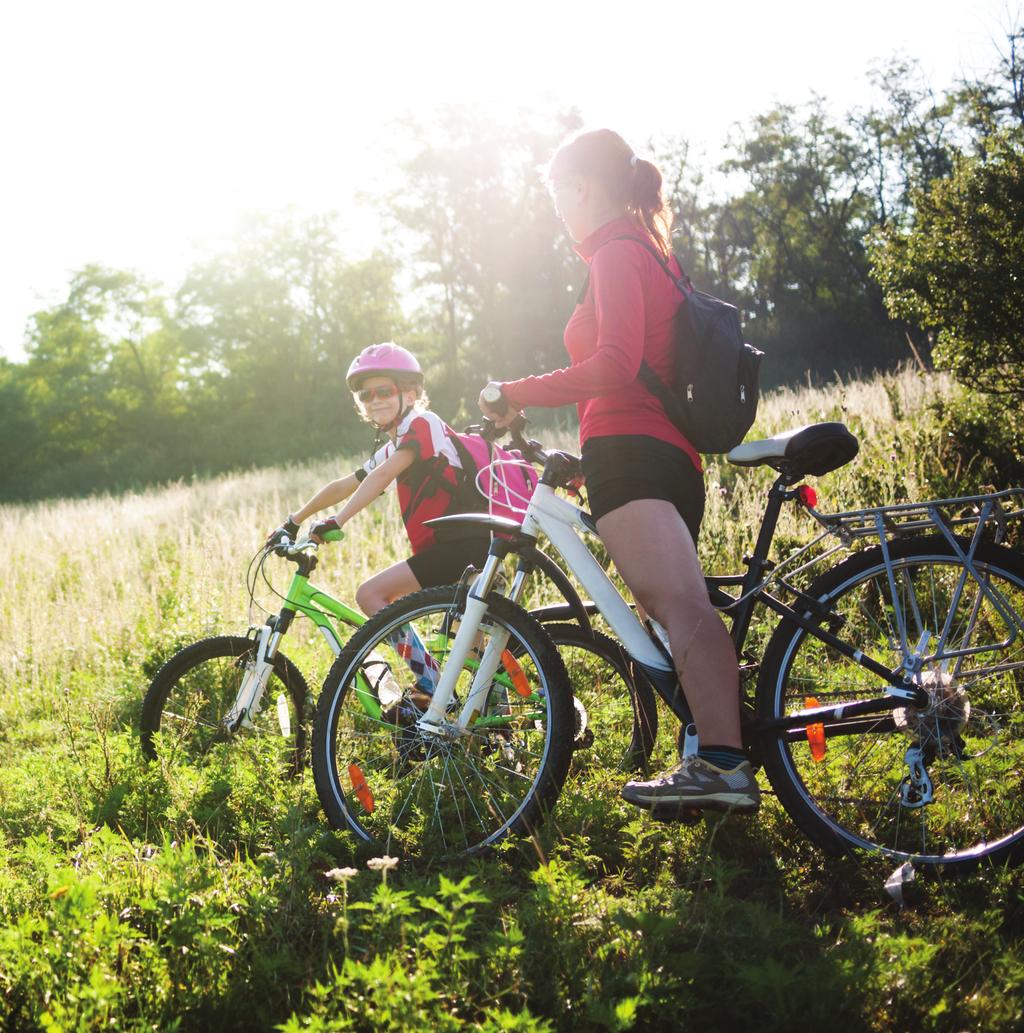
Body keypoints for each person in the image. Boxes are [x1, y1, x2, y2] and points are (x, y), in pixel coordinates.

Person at [478, 128, 760, 815]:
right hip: (651, 453)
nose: (552, 206)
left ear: (580, 187)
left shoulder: (616, 250)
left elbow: (613, 364)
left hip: (636, 453)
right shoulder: (648, 250)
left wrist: (515, 390)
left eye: (553, 191)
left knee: (677, 605)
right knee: (669, 607)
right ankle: (707, 749)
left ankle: (722, 762)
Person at [267, 342, 490, 617]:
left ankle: (419, 663)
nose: (375, 400)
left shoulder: (424, 423)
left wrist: (338, 520)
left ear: (410, 396)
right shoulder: (394, 445)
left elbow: (383, 475)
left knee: (370, 595)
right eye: (366, 395)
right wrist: (293, 521)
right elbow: (346, 484)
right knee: (473, 653)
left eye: (384, 391)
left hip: (462, 544)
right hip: (446, 547)